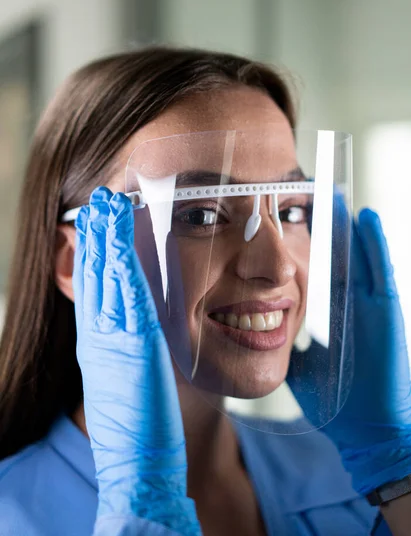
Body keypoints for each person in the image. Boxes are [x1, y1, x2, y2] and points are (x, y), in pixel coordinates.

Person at [0, 46, 410, 536]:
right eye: (201, 215)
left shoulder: (358, 484)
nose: (277, 266)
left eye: (291, 211)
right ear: (74, 263)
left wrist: (397, 472)